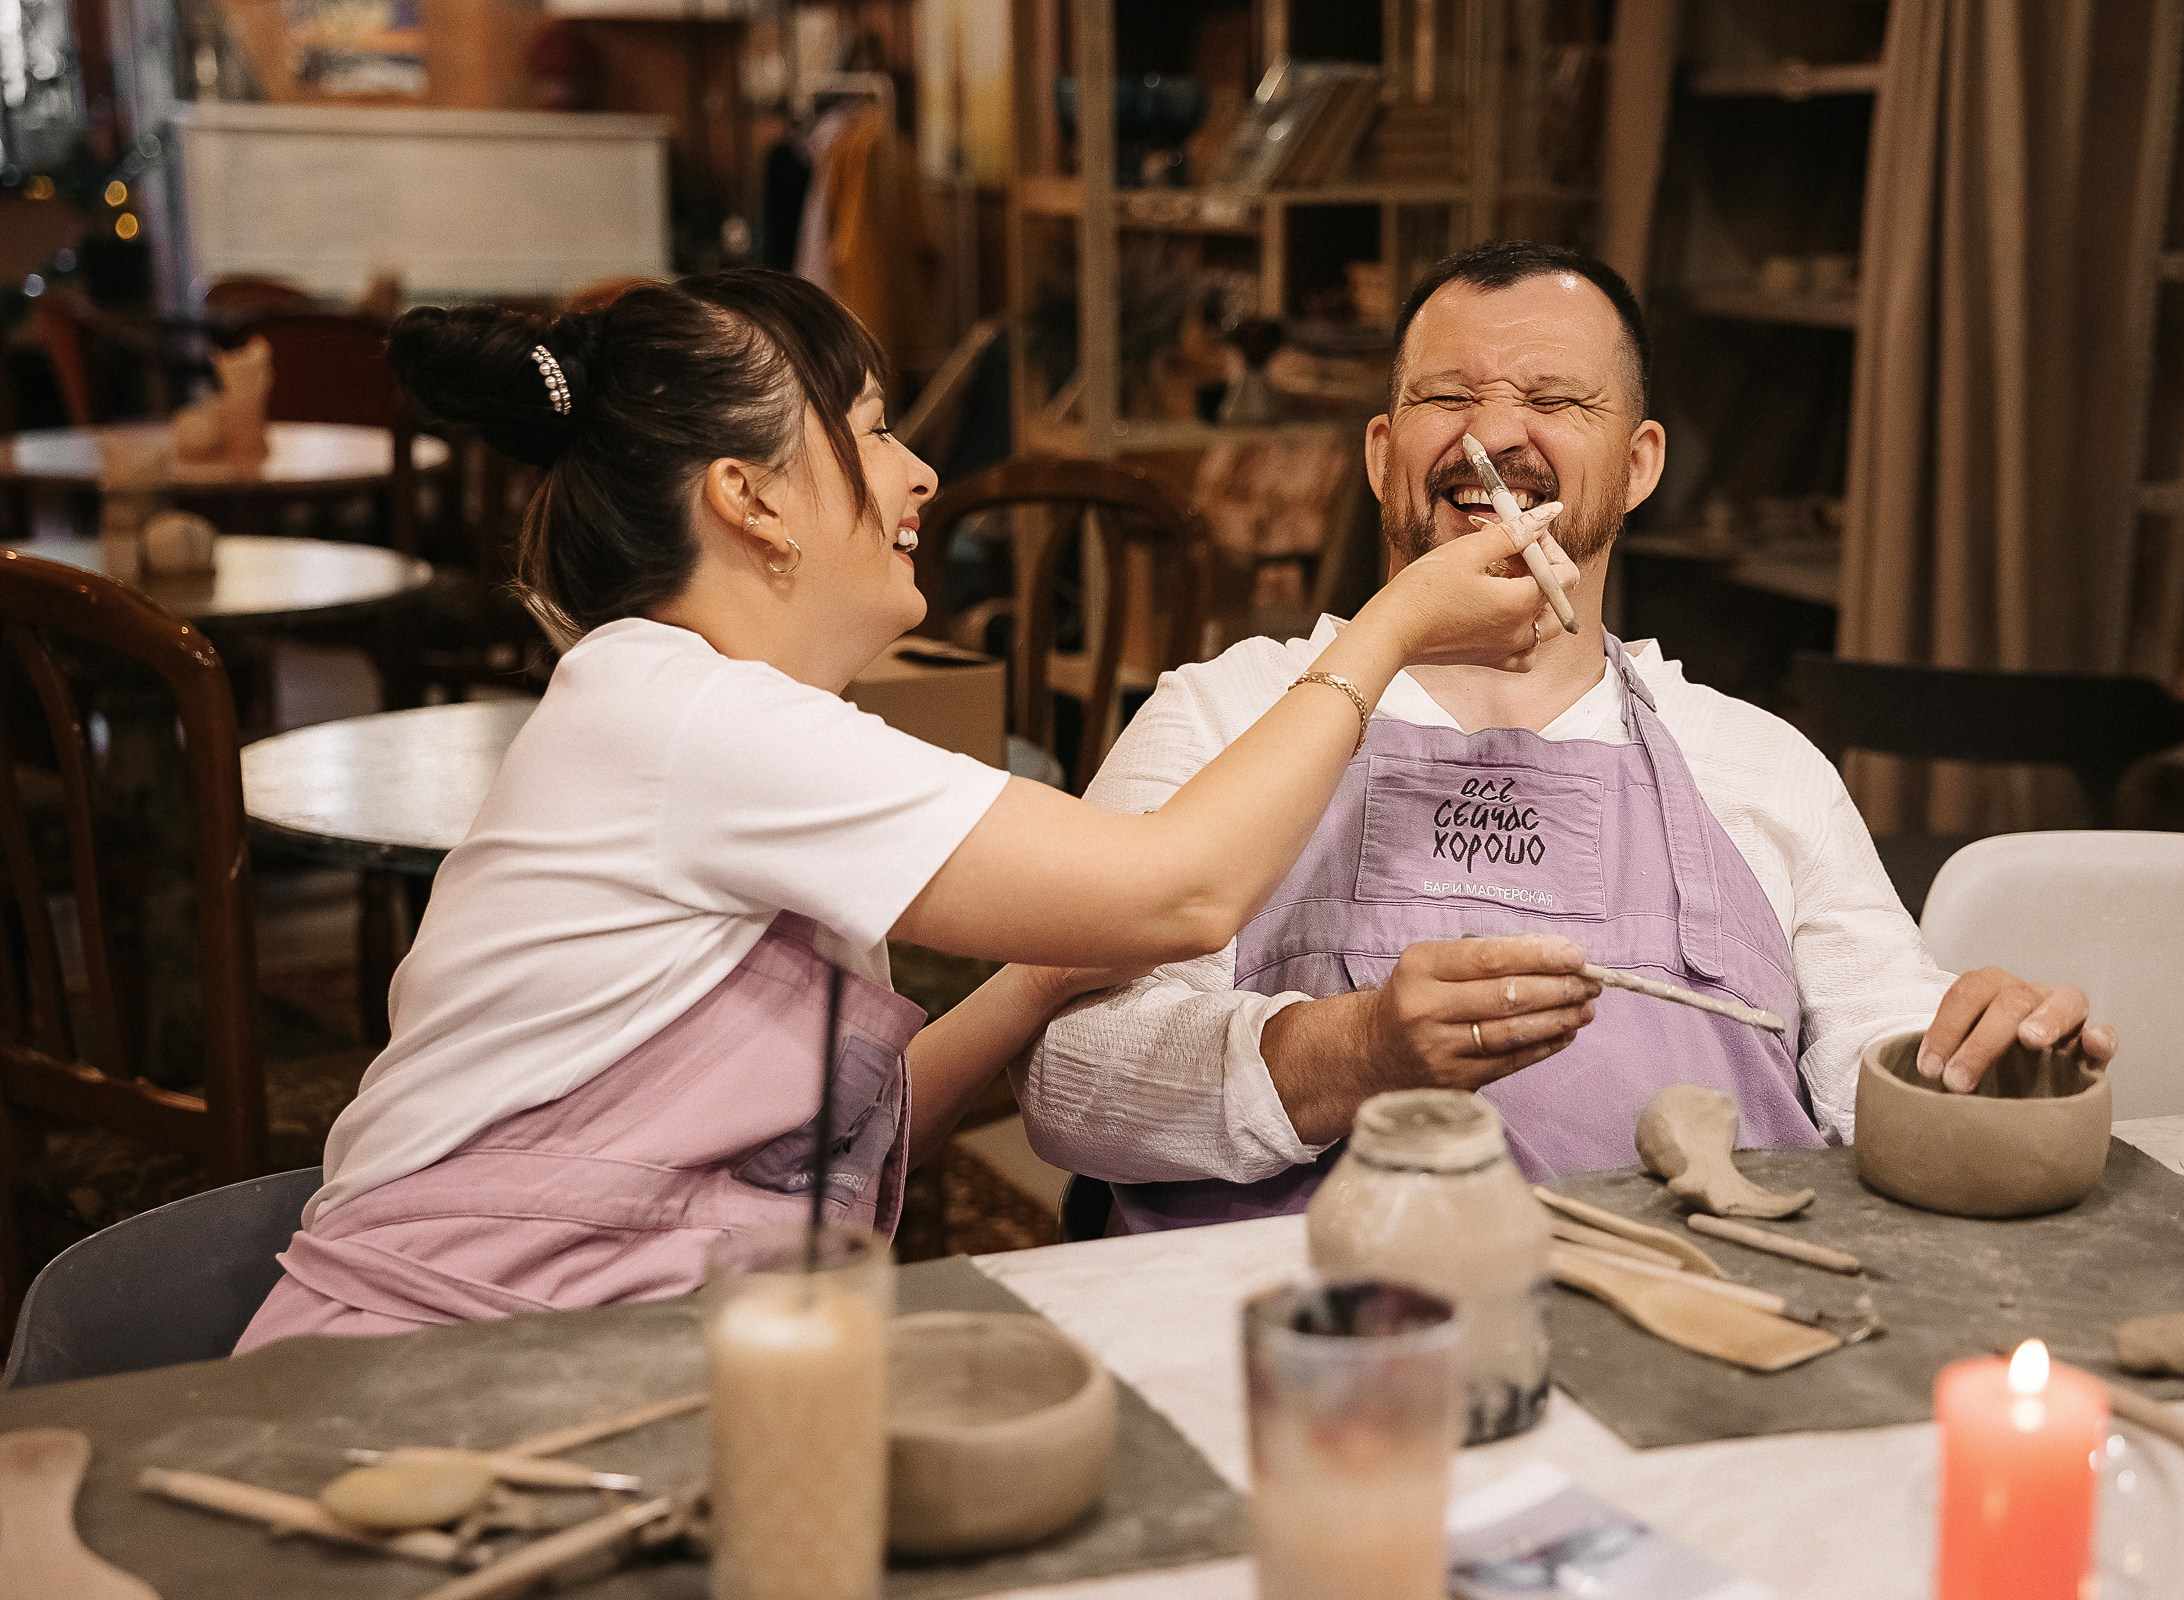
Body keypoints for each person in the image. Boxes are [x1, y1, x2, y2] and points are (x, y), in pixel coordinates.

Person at [237, 269, 1572, 1346]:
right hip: (422, 1379)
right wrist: (1392, 621)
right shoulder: (693, 717)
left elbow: (827, 1153)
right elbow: (1186, 887)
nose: (923, 473)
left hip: (588, 1354)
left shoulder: (712, 721)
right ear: (748, 499)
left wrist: (1042, 978)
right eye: (873, 431)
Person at [1015, 242, 2118, 1232]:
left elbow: (1880, 1047)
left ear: (1638, 464)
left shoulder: (1759, 762)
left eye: (1553, 399)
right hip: (1326, 1359)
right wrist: (1358, 1051)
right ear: (1381, 451)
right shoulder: (1221, 711)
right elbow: (1070, 1084)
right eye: (1448, 395)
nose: (1494, 434)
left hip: (1700, 1348)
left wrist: (1979, 1049)